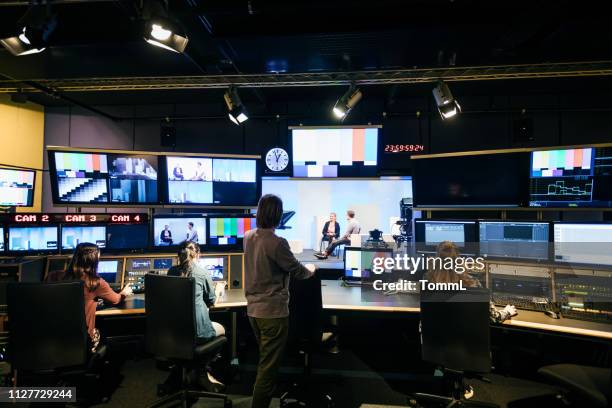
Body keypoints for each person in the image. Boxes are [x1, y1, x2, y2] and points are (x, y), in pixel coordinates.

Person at [244, 194, 316, 408]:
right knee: (267, 369)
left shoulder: (248, 236)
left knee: (265, 362)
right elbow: (298, 271)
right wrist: (312, 269)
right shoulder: (277, 243)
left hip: (253, 312)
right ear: (278, 215)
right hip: (272, 314)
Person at [46, 242, 133, 351]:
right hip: (83, 340)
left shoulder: (53, 276)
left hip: (51, 340)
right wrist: (124, 293)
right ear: (93, 261)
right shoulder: (95, 282)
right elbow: (116, 300)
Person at [167, 241, 225, 390]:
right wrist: (218, 289)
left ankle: (189, 370)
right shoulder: (202, 273)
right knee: (222, 330)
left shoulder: (171, 272)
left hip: (174, 333)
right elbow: (211, 301)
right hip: (197, 333)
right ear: (197, 254)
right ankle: (202, 370)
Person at [426, 241, 517, 323]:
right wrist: (507, 311)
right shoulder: (472, 284)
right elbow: (493, 318)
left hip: (434, 340)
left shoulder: (428, 281)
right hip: (466, 340)